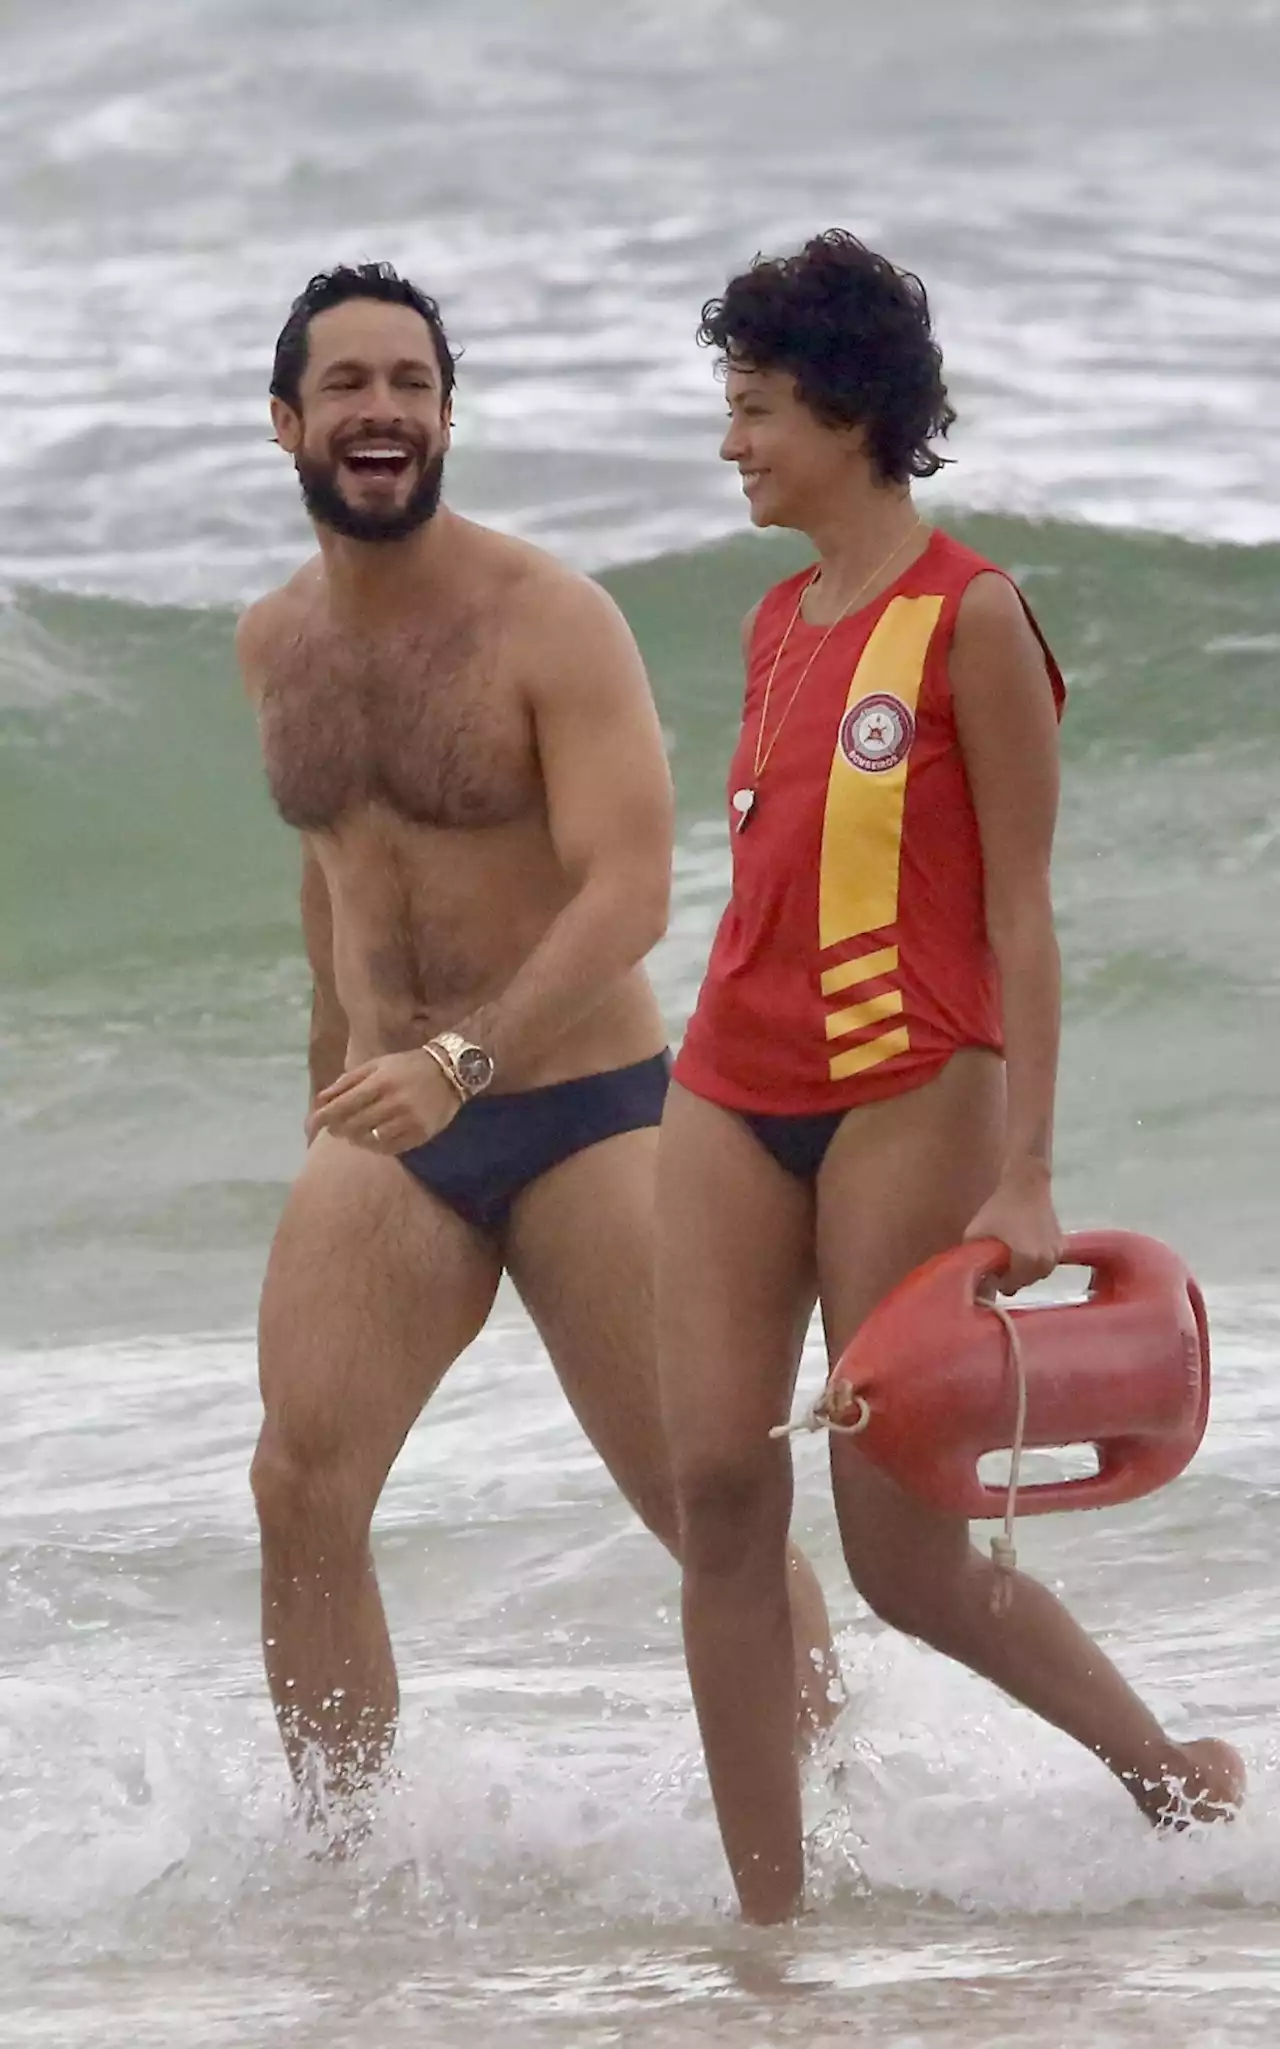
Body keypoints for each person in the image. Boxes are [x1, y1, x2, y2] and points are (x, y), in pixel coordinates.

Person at [655, 231, 1245, 1923]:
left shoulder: (973, 614)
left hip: (912, 1086)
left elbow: (1023, 915)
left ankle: (1170, 1780)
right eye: (731, 406)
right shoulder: (776, 620)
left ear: (846, 409)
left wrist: (1031, 1168)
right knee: (714, 1487)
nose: (732, 442)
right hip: (727, 1083)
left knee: (899, 1551)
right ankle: (768, 1923)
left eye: (756, 407)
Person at [235, 263, 835, 1817]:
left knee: (709, 1509)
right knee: (299, 1486)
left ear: (446, 418)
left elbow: (631, 893)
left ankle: (843, 1811)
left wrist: (467, 1059)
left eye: (413, 384)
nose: (385, 409)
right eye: (352, 384)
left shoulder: (548, 619)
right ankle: (342, 1865)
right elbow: (334, 877)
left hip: (587, 1113)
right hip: (391, 1127)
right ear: (289, 421)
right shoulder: (272, 645)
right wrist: (332, 1084)